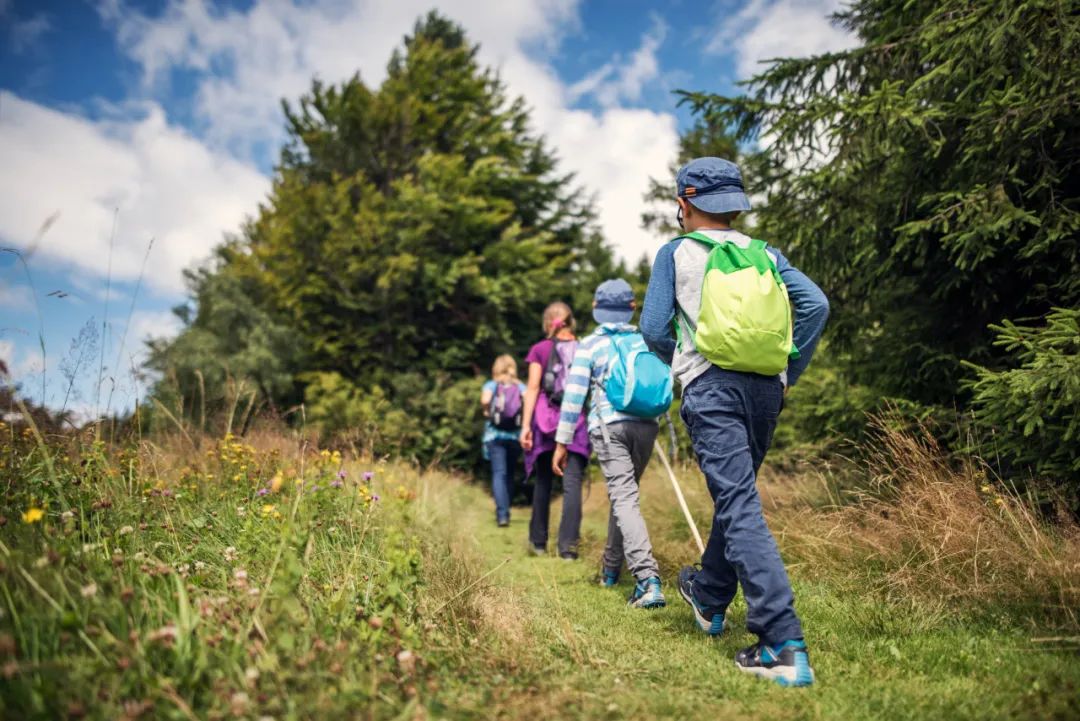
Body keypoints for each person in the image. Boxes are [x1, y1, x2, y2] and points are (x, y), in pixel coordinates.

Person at [641, 157, 829, 687]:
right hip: (766, 389)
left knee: (739, 505)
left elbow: (653, 327)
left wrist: (683, 363)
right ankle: (710, 594)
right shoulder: (765, 253)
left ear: (684, 204)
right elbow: (815, 305)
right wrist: (789, 370)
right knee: (737, 496)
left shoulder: (676, 253)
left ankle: (782, 642)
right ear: (734, 206)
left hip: (712, 386)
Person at [553, 279, 668, 609]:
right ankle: (610, 570)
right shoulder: (645, 341)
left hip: (609, 426)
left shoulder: (590, 345)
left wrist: (562, 443)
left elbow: (574, 396)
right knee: (626, 497)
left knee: (623, 497)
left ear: (596, 309)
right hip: (647, 425)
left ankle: (647, 580)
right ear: (632, 308)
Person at [520, 302, 590, 558]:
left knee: (543, 481)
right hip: (576, 420)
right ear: (570, 321)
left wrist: (525, 426)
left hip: (544, 419)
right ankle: (568, 549)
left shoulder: (539, 349)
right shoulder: (584, 348)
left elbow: (533, 388)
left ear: (548, 322)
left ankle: (538, 543)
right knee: (572, 483)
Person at [480, 355, 526, 527]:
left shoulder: (492, 385)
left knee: (499, 473)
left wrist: (486, 411)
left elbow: (485, 400)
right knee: (509, 473)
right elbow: (529, 400)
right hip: (514, 436)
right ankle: (506, 510)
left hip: (495, 435)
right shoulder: (519, 386)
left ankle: (502, 515)